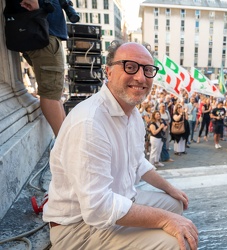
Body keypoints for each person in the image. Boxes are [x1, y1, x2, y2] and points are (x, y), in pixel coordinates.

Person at [43, 41, 198, 250]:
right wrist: (164, 220)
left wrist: (171, 189)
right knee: (178, 243)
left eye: (148, 70)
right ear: (108, 71)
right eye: (130, 66)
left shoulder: (132, 114)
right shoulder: (90, 122)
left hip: (121, 200)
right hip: (78, 228)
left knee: (175, 204)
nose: (141, 77)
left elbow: (138, 162)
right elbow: (98, 208)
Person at [15, 0, 67, 136]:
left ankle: (66, 141)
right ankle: (65, 146)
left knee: (55, 93)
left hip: (44, 31)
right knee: (51, 94)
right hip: (44, 34)